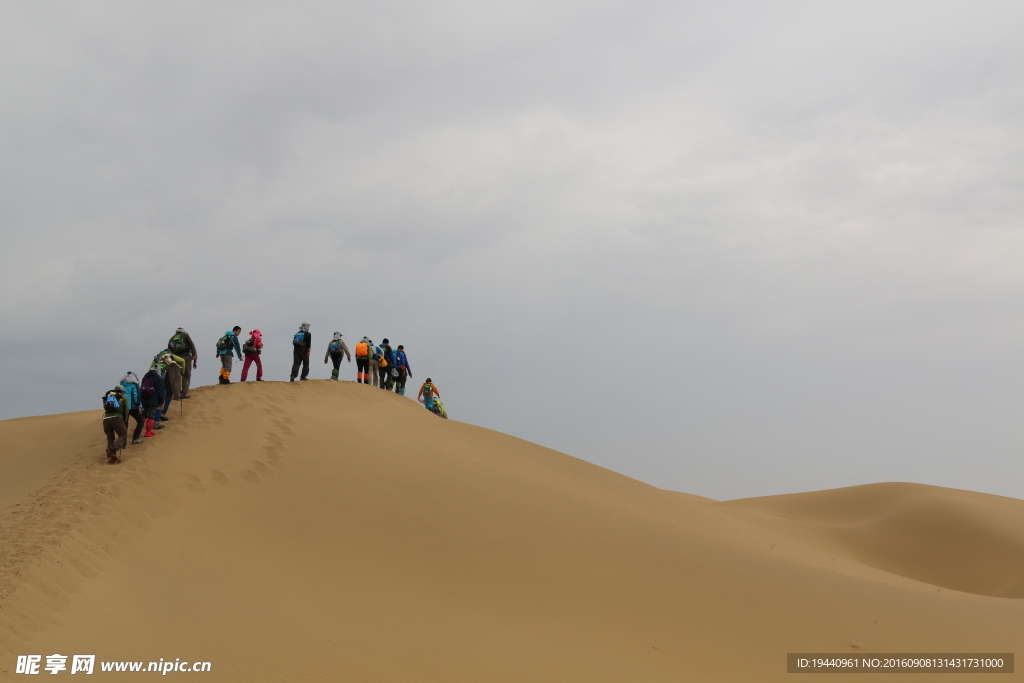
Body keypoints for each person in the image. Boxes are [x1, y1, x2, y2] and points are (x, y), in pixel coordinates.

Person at [101, 385, 130, 463]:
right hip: (116, 418)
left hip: (106, 419)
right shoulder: (124, 398)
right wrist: (124, 421)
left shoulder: (108, 397)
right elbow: (126, 411)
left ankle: (110, 455)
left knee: (110, 437)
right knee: (123, 435)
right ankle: (112, 449)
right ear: (122, 391)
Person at [167, 327, 198, 398]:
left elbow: (168, 351)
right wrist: (194, 358)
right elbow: (192, 345)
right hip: (186, 357)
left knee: (176, 377)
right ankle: (184, 394)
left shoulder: (172, 338)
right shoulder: (185, 335)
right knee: (186, 376)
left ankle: (176, 395)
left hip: (175, 359)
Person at [140, 365, 166, 437]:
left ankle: (137, 429)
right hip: (153, 400)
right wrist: (161, 402)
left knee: (144, 415)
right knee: (151, 416)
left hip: (143, 399)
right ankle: (148, 432)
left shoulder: (145, 376)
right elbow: (161, 392)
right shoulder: (158, 378)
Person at [120, 371, 145, 444]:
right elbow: (136, 396)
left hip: (124, 407)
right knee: (141, 421)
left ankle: (123, 442)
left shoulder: (122, 384)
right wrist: (139, 406)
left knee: (125, 424)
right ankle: (135, 439)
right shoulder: (134, 384)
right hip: (133, 406)